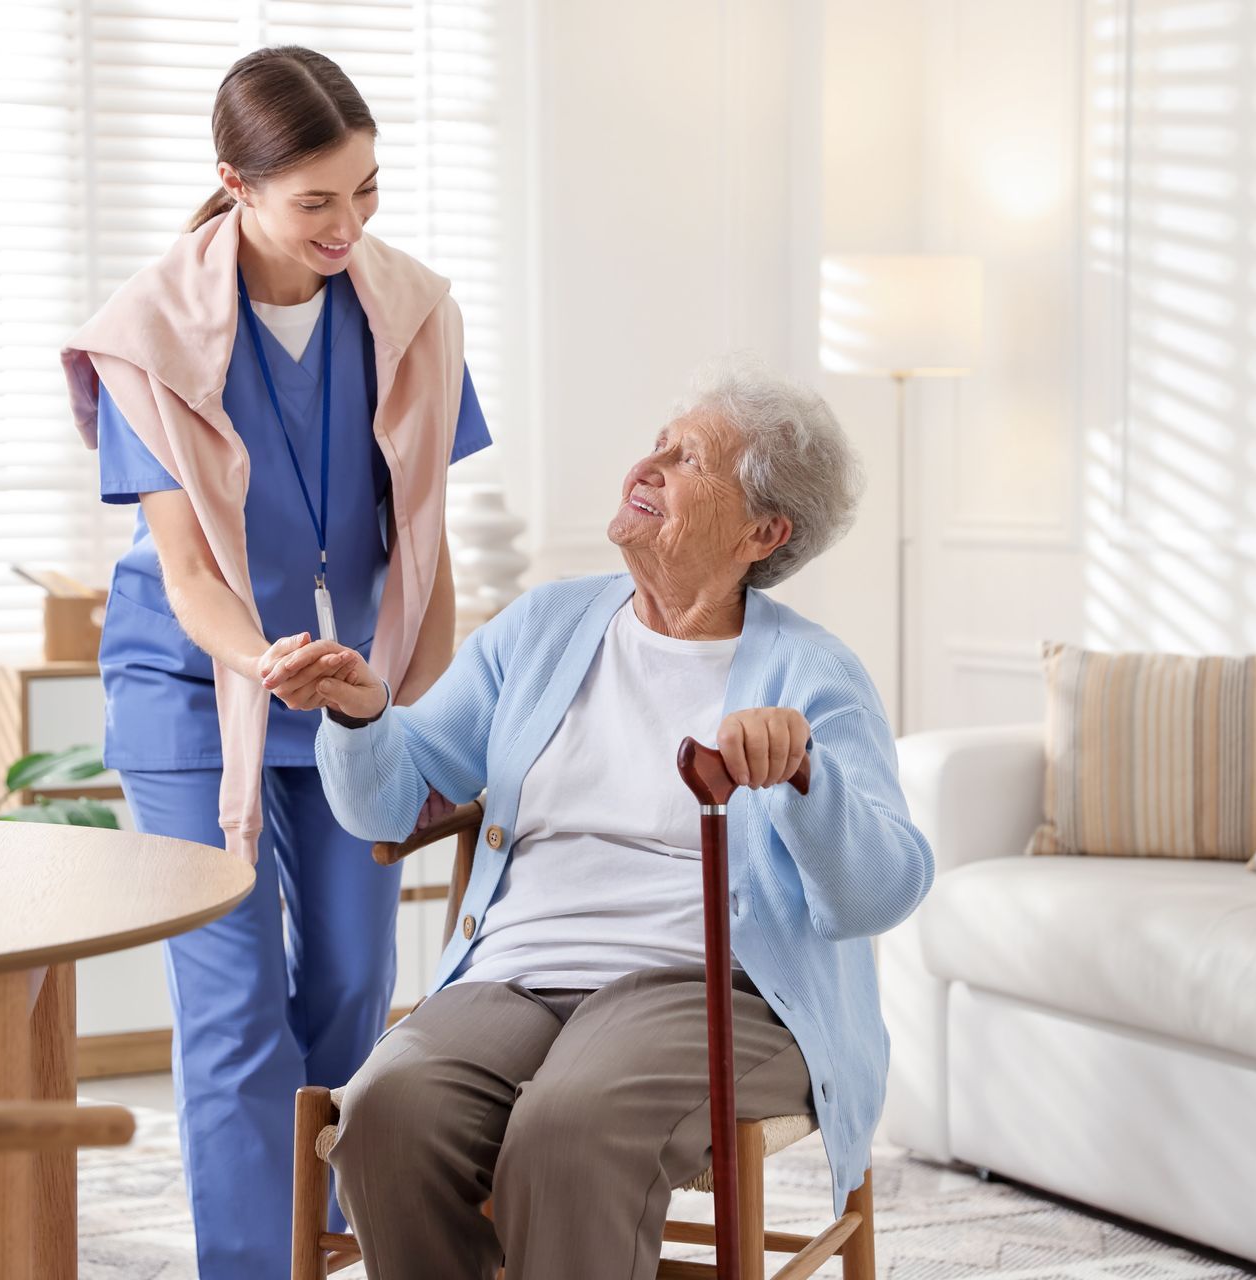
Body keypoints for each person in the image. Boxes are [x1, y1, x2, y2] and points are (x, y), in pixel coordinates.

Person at [267, 354, 935, 1280]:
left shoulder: (814, 677)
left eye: (690, 460)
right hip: (517, 976)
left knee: (569, 1129)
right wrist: (363, 710)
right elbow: (387, 800)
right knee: (387, 1111)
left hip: (710, 991)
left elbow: (883, 890)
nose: (647, 467)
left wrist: (805, 778)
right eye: (656, 446)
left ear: (762, 531)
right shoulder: (545, 627)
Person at [58, 45, 490, 1278]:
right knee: (235, 999)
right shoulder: (149, 334)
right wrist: (268, 659)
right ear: (236, 186)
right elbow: (190, 574)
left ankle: (316, 1221)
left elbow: (426, 551)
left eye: (366, 191)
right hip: (193, 689)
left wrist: (402, 719)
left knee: (357, 984)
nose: (349, 224)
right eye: (317, 201)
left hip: (350, 691)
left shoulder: (411, 313)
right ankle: (255, 1261)